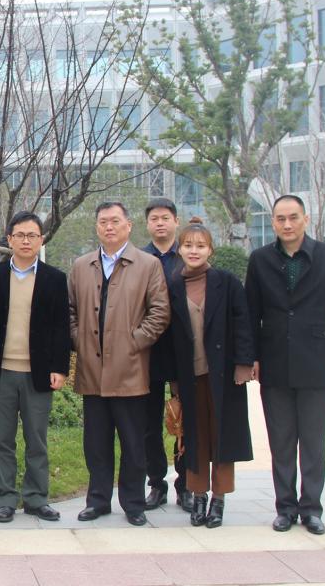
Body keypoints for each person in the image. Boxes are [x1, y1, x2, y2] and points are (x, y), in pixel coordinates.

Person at [245, 195, 325, 536]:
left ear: (305, 219)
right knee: (281, 441)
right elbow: (251, 313)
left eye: (293, 217)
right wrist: (252, 357)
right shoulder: (260, 259)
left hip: (317, 361)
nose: (287, 224)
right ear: (273, 222)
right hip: (274, 363)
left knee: (313, 441)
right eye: (280, 219)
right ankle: (286, 508)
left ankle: (311, 509)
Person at [68, 201, 170, 526]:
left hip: (131, 371)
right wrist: (80, 341)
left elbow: (160, 312)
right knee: (96, 444)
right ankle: (98, 501)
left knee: (133, 443)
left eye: (115, 221)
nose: (108, 227)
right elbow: (70, 311)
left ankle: (133, 503)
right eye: (103, 222)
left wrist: (134, 342)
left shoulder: (148, 264)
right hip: (92, 371)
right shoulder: (81, 266)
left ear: (129, 225)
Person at [0, 211, 70, 523]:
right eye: (20, 235)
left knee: (37, 440)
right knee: (0, 438)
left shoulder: (54, 279)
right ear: (10, 239)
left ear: (41, 239)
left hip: (38, 372)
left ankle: (36, 498)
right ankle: (5, 498)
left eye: (32, 235)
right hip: (2, 370)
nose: (26, 241)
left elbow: (61, 327)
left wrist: (60, 368)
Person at [163, 219, 254, 528]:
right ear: (179, 249)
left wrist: (243, 364)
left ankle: (219, 499)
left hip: (224, 376)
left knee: (222, 437)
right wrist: (173, 378)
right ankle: (198, 496)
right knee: (195, 438)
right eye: (188, 245)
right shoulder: (173, 286)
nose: (194, 251)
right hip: (189, 376)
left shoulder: (227, 282)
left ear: (210, 250)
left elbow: (243, 324)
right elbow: (168, 337)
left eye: (200, 246)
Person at [141, 198, 190, 512]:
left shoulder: (188, 256)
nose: (160, 223)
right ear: (147, 224)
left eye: (165, 218)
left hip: (182, 351)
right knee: (149, 422)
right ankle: (156, 484)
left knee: (183, 420)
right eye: (154, 219)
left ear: (175, 221)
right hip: (147, 351)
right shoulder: (138, 258)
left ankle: (185, 484)